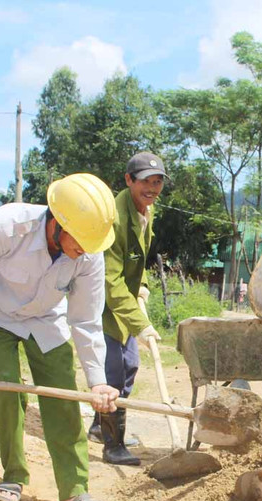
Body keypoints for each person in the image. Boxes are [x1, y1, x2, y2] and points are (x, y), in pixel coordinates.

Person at [0, 173, 120, 501]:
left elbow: (86, 320)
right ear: (57, 223)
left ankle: (74, 491)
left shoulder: (90, 252)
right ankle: (13, 476)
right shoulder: (5, 227)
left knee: (63, 397)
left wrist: (98, 381)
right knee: (3, 393)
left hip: (47, 319)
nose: (85, 249)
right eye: (81, 241)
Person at [89, 152, 166, 466]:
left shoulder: (147, 209)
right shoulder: (114, 218)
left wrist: (143, 283)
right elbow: (111, 280)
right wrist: (141, 325)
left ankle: (98, 425)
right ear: (128, 180)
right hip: (105, 305)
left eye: (157, 181)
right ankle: (113, 444)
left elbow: (139, 254)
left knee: (129, 367)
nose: (152, 187)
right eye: (145, 181)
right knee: (115, 374)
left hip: (126, 302)